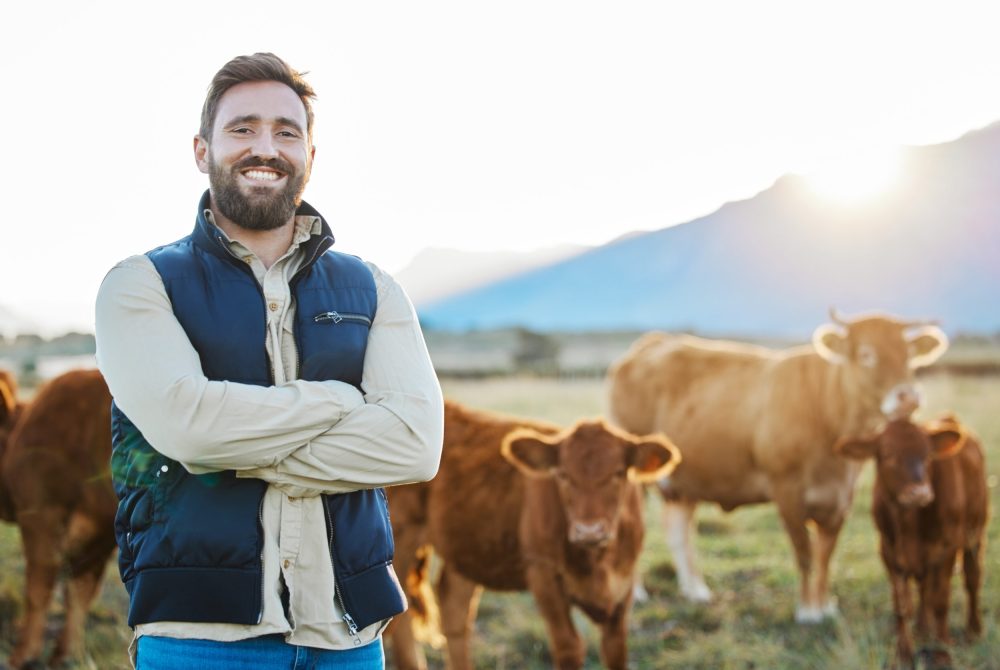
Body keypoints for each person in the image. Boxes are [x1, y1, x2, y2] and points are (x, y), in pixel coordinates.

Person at [95, 52, 444, 669]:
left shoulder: (374, 288)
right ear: (202, 151)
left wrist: (234, 450)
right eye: (243, 128)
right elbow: (188, 429)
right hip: (197, 636)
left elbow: (414, 447)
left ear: (312, 155)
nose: (266, 146)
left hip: (348, 636)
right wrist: (341, 402)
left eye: (287, 131)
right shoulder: (140, 284)